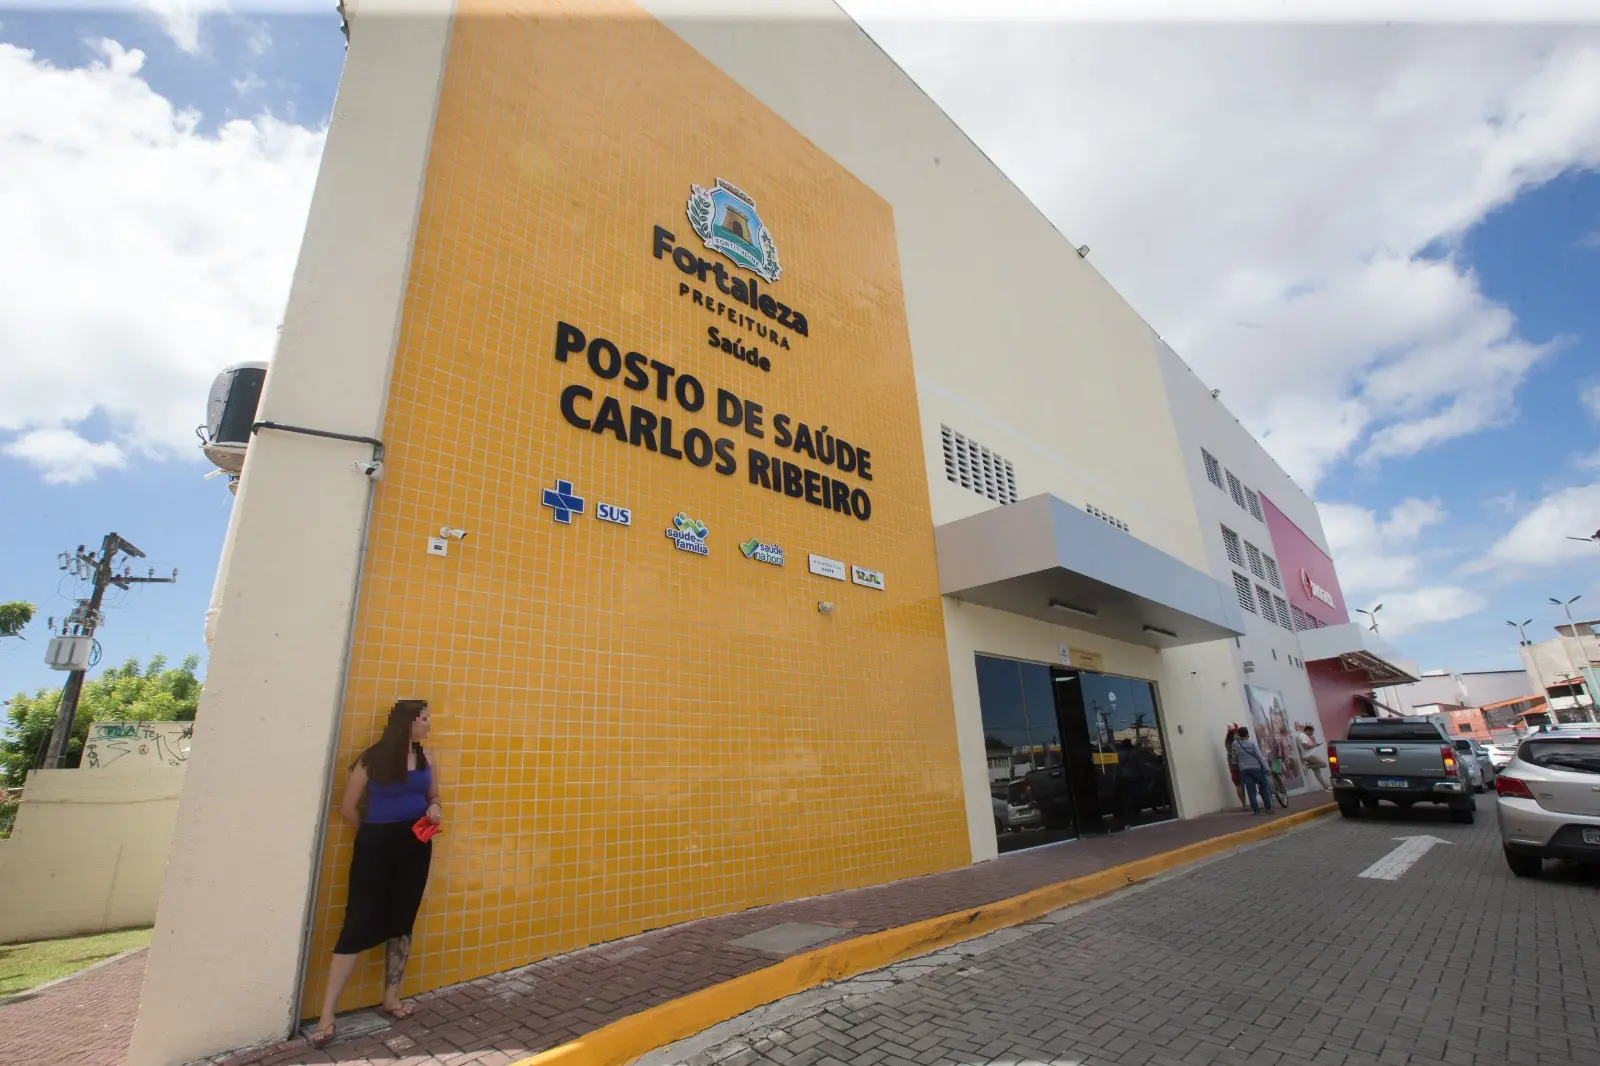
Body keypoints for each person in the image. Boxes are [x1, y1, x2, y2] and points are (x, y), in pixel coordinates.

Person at [310, 699, 442, 1048]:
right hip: (376, 844)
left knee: (402, 919)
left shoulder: (426, 758)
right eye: (424, 719)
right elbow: (348, 807)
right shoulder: (372, 758)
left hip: (416, 843)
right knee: (358, 922)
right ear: (407, 722)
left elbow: (434, 795)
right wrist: (372, 834)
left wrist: (435, 807)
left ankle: (392, 997)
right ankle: (326, 1014)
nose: (429, 724)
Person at [1232, 725, 1272, 815]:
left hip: (1244, 770)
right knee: (1264, 786)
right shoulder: (1252, 743)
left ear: (1238, 734)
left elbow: (1234, 759)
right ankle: (1268, 807)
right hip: (1256, 768)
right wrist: (1267, 768)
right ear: (1247, 734)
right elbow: (1260, 757)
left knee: (1251, 790)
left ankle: (1256, 810)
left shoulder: (1235, 744)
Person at [1224, 727, 1248, 811]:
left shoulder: (1227, 741)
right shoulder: (1237, 741)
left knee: (1238, 785)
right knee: (1248, 782)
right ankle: (1253, 801)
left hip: (1232, 765)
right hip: (1241, 763)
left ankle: (1244, 804)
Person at [1298, 724, 1329, 789]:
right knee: (1324, 764)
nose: (1312, 734)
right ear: (1308, 730)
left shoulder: (1304, 736)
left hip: (1309, 755)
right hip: (1309, 756)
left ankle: (1327, 787)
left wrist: (1315, 745)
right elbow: (1306, 746)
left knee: (1318, 775)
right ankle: (1307, 766)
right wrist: (1314, 745)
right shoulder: (1303, 736)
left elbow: (1308, 746)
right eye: (1312, 732)